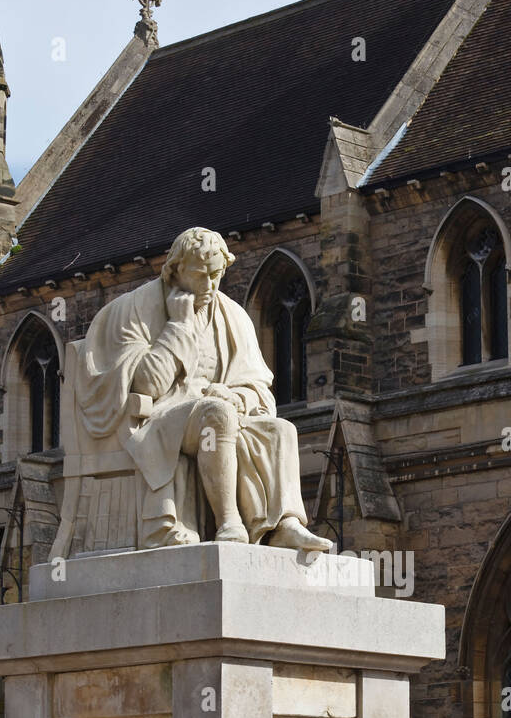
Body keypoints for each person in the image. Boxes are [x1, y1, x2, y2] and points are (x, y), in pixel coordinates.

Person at [77, 226, 331, 552]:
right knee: (217, 415)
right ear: (175, 269)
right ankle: (229, 524)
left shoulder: (233, 315)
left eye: (217, 274)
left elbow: (261, 393)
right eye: (200, 275)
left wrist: (237, 396)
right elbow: (147, 385)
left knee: (281, 429)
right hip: (158, 415)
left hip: (217, 410)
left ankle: (284, 524)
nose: (210, 285)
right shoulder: (136, 308)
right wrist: (178, 325)